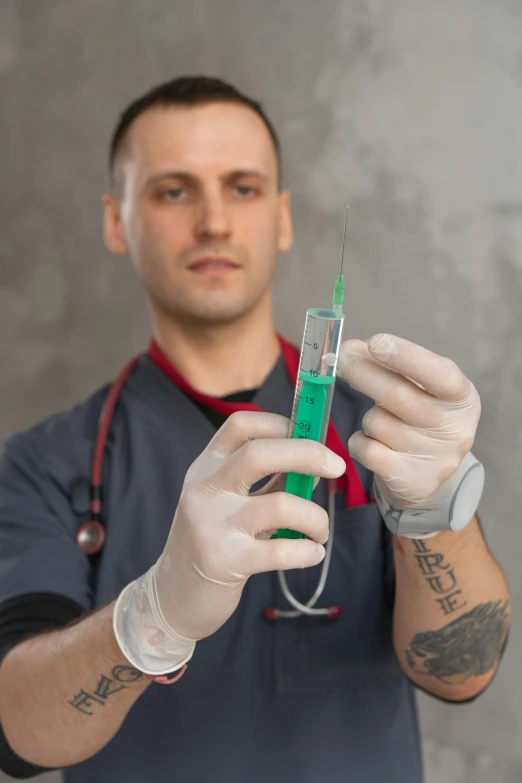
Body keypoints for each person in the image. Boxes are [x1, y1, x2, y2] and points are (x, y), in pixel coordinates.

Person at [0, 76, 510, 783]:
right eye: (173, 190)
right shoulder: (45, 465)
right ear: (117, 222)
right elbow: (21, 732)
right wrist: (150, 619)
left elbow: (463, 669)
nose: (213, 222)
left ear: (281, 217)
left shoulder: (384, 432)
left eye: (242, 187)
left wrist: (433, 511)